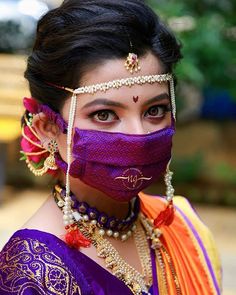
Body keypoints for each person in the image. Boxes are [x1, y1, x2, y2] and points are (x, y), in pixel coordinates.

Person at [0, 1, 221, 294]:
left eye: (154, 110)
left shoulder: (184, 226)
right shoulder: (33, 272)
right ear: (48, 129)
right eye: (104, 115)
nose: (139, 136)